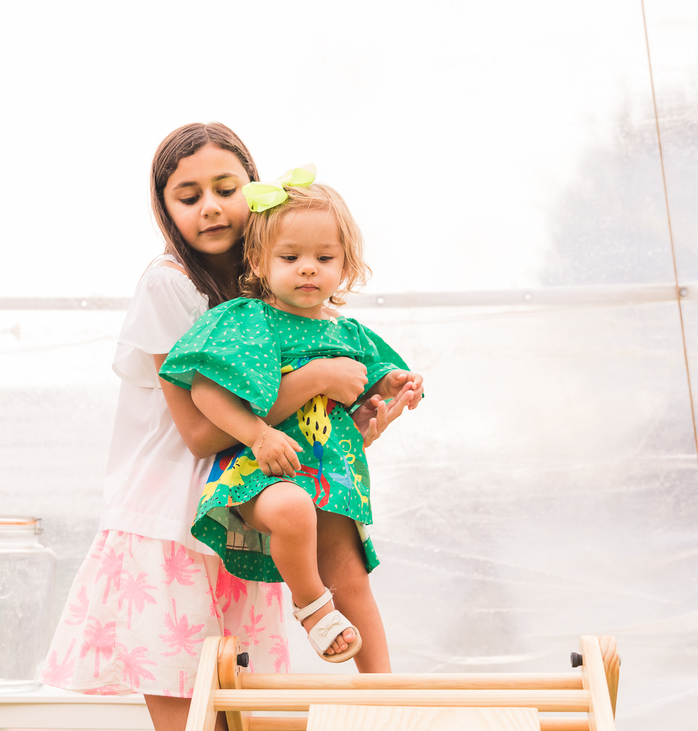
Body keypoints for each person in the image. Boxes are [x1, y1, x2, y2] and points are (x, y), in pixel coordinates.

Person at [41, 124, 415, 731]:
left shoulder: (278, 288)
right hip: (172, 524)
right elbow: (200, 433)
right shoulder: (170, 283)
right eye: (188, 197)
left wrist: (356, 421)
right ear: (164, 209)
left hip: (248, 510)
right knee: (193, 717)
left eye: (226, 188)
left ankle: (389, 699)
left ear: (254, 191)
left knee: (243, 715)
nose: (211, 207)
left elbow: (301, 418)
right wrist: (318, 377)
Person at [159, 173, 423, 671]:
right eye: (289, 258)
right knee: (293, 509)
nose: (308, 268)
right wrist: (258, 435)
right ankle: (313, 608)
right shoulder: (248, 320)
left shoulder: (348, 332)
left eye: (324, 258)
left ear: (345, 266)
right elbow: (206, 391)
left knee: (353, 580)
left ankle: (384, 692)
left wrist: (393, 385)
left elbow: (372, 381)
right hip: (262, 472)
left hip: (332, 475)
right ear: (259, 262)